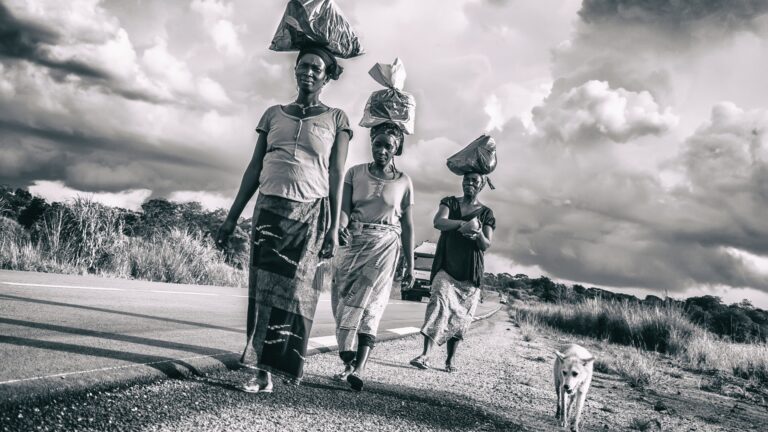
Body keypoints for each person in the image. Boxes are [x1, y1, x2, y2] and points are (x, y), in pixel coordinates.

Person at [216, 45, 352, 393]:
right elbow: (253, 168)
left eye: (316, 68)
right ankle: (262, 374)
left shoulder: (337, 119)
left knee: (295, 294)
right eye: (303, 65)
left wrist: (334, 229)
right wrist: (232, 217)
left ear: (327, 77)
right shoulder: (273, 114)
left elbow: (336, 176)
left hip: (309, 213)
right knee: (262, 292)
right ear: (295, 69)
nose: (308, 72)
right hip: (269, 210)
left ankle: (283, 364)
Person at [331, 122, 415, 391]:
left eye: (387, 146)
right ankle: (348, 359)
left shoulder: (404, 181)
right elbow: (344, 209)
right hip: (353, 244)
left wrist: (410, 266)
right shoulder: (354, 173)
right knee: (343, 304)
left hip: (385, 248)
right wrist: (339, 230)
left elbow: (409, 226)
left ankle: (359, 368)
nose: (381, 150)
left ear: (396, 148)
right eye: (377, 144)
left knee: (372, 305)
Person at [410, 172, 495, 373]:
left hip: (469, 272)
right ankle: (426, 355)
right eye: (467, 179)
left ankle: (450, 360)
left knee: (461, 317)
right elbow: (439, 222)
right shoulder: (449, 203)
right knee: (437, 304)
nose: (469, 183)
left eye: (475, 180)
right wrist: (461, 225)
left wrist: (477, 233)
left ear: (481, 185)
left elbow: (486, 245)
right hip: (446, 267)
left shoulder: (486, 214)